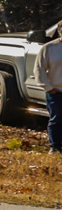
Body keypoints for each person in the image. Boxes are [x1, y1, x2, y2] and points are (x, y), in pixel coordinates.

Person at [43, 22, 62, 152]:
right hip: (56, 91)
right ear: (60, 31)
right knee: (57, 119)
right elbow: (39, 69)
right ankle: (54, 147)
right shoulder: (49, 48)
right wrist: (48, 87)